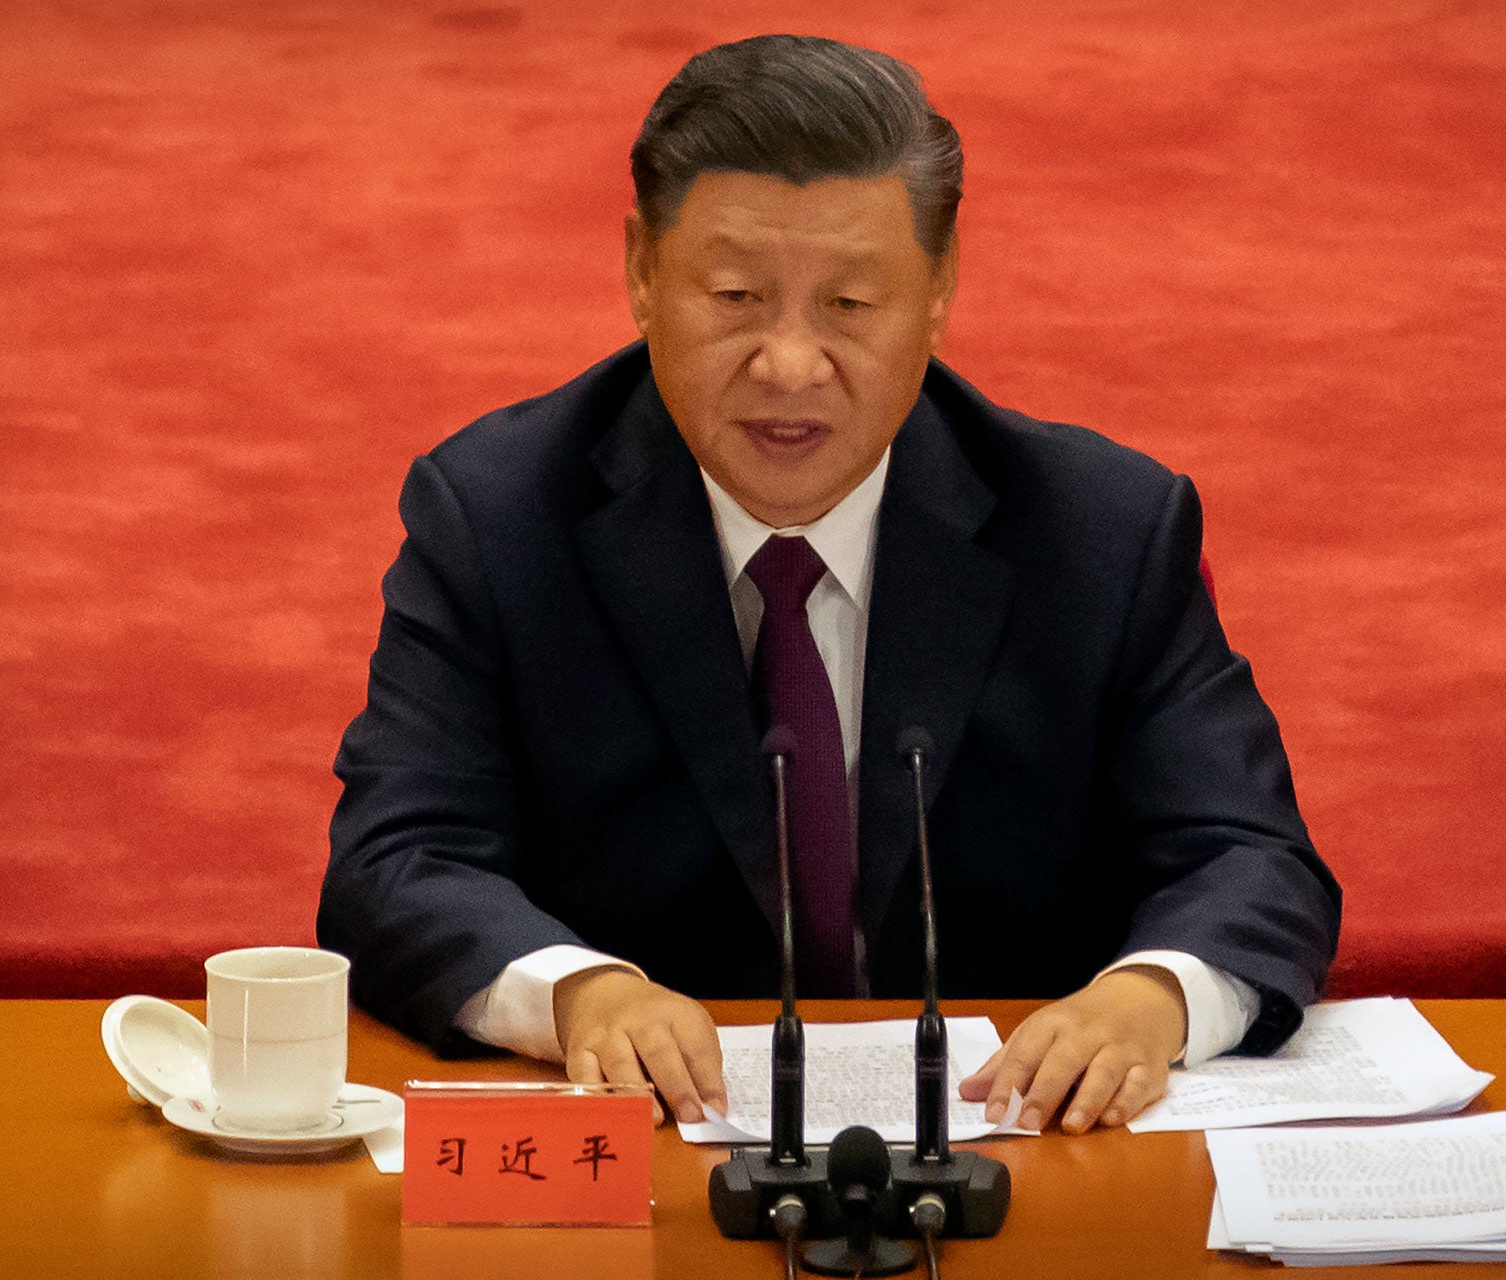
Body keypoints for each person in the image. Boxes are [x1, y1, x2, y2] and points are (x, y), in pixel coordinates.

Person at [318, 34, 1339, 1136]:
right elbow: (395, 861)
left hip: (1023, 1159)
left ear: (940, 290)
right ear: (639, 274)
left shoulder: (1100, 528)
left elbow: (1253, 856)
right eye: (736, 294)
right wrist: (579, 993)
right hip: (658, 1163)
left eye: (850, 305)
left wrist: (1148, 1001)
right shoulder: (499, 515)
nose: (791, 364)